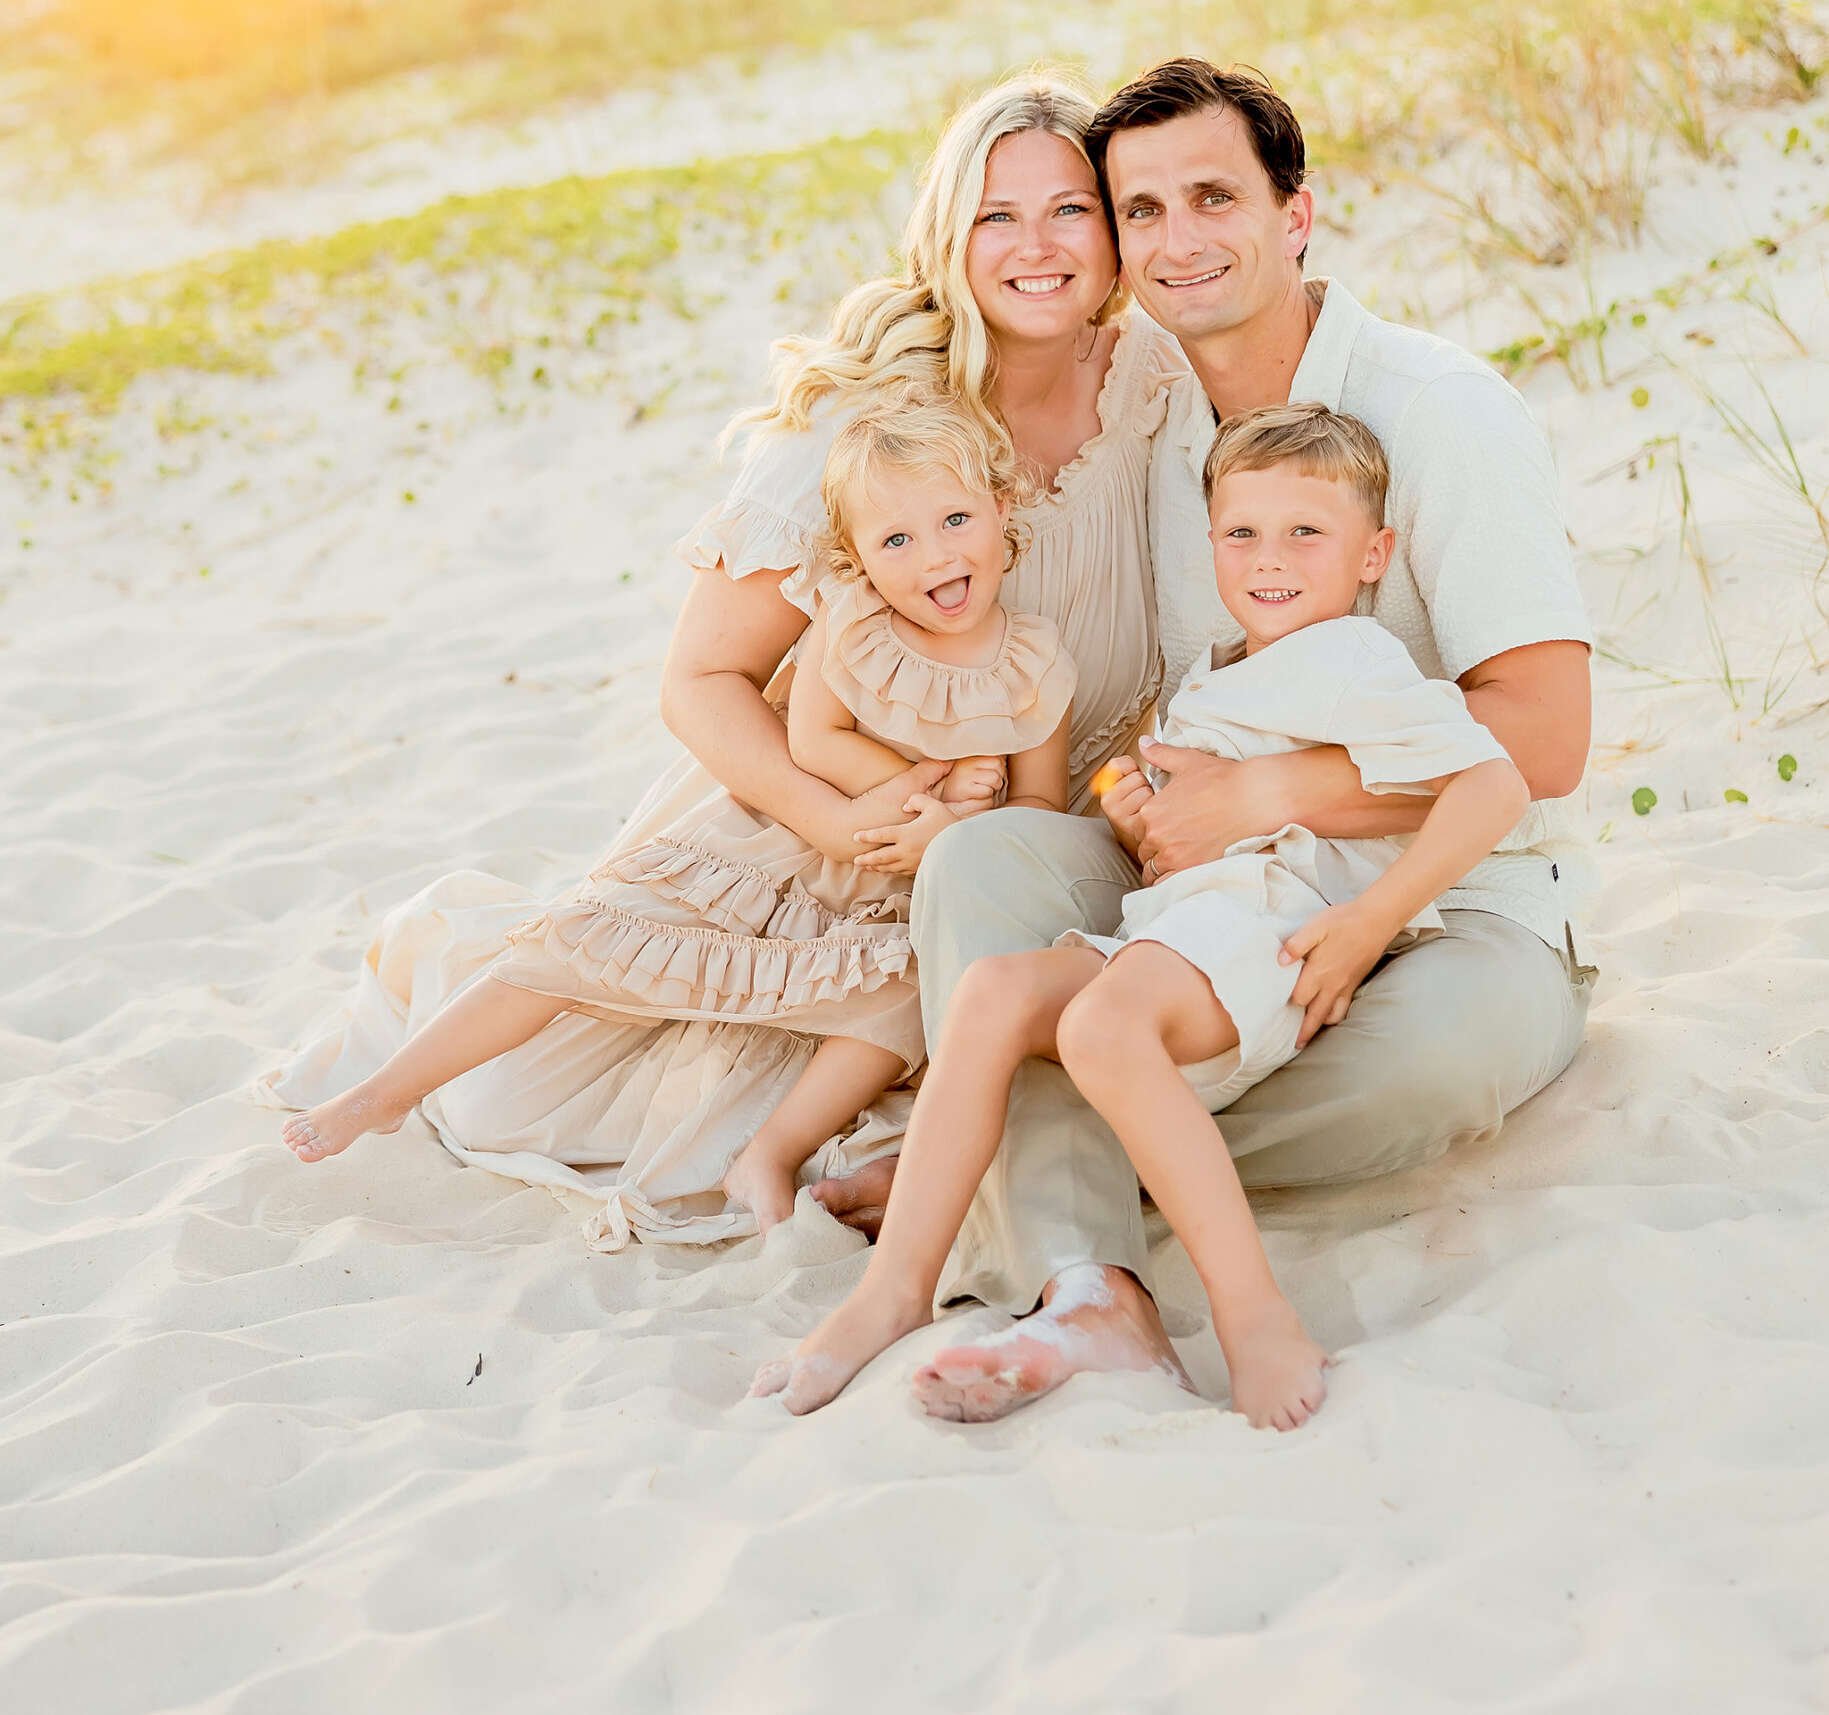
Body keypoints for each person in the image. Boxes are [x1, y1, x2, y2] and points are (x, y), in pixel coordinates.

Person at [266, 73, 1182, 1247]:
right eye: (995, 216)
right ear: (946, 239)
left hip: (1017, 822)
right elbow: (698, 680)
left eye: (1070, 210)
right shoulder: (871, 426)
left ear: (1115, 230)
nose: (1037, 246)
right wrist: (831, 815)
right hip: (807, 814)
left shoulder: (1156, 383)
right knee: (544, 1085)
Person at [873, 56, 1595, 1422]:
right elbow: (1160, 709)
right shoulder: (1155, 426)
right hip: (1210, 894)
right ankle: (1092, 1286)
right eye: (1139, 210)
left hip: (1459, 898)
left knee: (1430, 1062)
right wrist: (1129, 789)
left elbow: (1545, 740)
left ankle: (1005, 1171)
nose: (1178, 236)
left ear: (1297, 214)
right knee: (983, 870)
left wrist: (1270, 789)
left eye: (1214, 195)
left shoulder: (1439, 409)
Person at [752, 401, 1529, 1429]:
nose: (1270, 559)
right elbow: (1181, 792)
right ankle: (889, 1293)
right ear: (1208, 542)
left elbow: (1494, 786)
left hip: (1264, 925)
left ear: (1372, 552)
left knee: (1098, 1028)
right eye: (1242, 533)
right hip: (1181, 922)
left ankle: (1254, 1318)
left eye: (1307, 533)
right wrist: (1134, 800)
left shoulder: (1356, 658)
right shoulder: (1221, 668)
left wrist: (1371, 919)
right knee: (991, 993)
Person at [279, 395, 1076, 1232]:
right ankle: (382, 1092)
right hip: (780, 844)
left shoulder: (1030, 663)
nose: (934, 557)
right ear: (858, 559)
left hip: (894, 888)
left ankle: (765, 1153)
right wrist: (921, 786)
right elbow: (812, 737)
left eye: (955, 520)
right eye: (896, 541)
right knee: (591, 935)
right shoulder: (853, 627)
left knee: (894, 1009)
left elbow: (1040, 808)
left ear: (1002, 507)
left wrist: (952, 834)